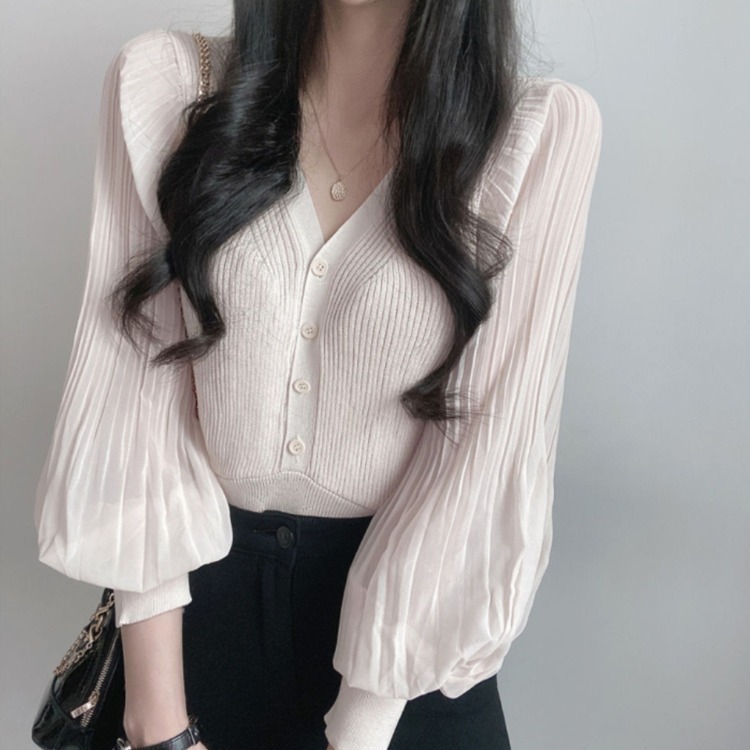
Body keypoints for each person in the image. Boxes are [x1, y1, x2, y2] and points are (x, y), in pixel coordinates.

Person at [33, 1, 603, 749]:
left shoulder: (533, 134)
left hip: (404, 664)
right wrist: (158, 724)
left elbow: (490, 456)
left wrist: (359, 733)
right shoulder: (171, 87)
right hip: (183, 632)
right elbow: (130, 401)